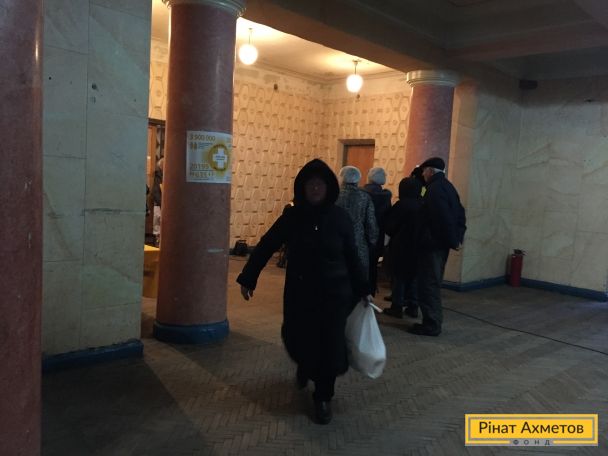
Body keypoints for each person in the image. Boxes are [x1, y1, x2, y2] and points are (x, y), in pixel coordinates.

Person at [236, 159, 371, 425]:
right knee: (298, 337)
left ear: (329, 187)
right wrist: (249, 277)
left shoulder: (340, 218)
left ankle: (323, 397)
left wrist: (363, 288)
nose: (316, 188)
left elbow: (353, 256)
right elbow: (266, 245)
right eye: (311, 184)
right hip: (301, 293)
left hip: (335, 294)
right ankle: (305, 365)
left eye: (320, 184)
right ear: (302, 187)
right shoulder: (293, 216)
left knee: (330, 344)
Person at [411, 157, 466, 336]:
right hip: (440, 244)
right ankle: (432, 321)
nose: (423, 175)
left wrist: (452, 240)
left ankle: (431, 324)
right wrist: (456, 239)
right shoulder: (448, 187)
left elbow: (442, 218)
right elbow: (460, 214)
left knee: (429, 283)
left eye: (424, 171)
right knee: (433, 282)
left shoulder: (434, 189)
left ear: (430, 171)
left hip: (431, 245)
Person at [383, 176, 423, 319]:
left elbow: (390, 226)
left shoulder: (401, 205)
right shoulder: (423, 204)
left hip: (401, 246)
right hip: (418, 247)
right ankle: (413, 306)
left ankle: (397, 306)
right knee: (413, 277)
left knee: (399, 277)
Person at [336, 166, 379, 290]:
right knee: (358, 282)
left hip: (336, 245)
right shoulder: (365, 197)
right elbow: (371, 225)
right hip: (359, 246)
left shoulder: (334, 196)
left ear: (341, 178)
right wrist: (372, 243)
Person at [362, 167, 392, 296]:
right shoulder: (386, 197)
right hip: (378, 237)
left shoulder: (362, 194)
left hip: (362, 235)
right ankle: (371, 293)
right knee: (373, 267)